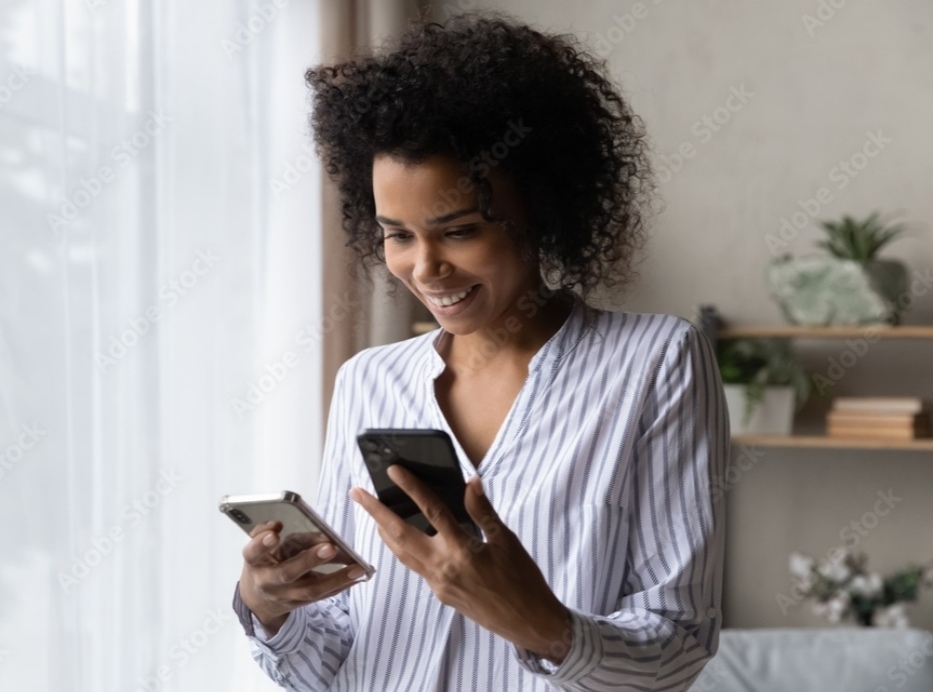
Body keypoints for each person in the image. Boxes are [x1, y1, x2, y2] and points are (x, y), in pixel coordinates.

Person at [233, 13, 728, 692]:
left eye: (459, 230)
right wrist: (269, 607)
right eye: (396, 235)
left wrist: (543, 625)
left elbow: (677, 645)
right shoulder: (368, 383)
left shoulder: (654, 363)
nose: (424, 267)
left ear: (543, 210)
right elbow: (335, 659)